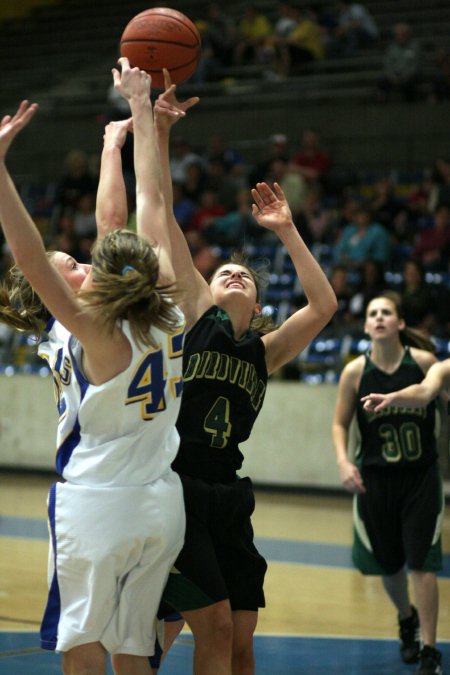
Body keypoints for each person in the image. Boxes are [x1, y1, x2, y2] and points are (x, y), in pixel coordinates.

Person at [138, 69, 337, 675]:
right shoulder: (196, 310)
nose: (232, 273)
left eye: (243, 273)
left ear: (256, 297)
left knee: (242, 637)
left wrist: (286, 230)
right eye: (223, 270)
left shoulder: (267, 349)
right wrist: (162, 130)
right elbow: (162, 212)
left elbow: (324, 306)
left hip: (229, 490)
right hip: (179, 486)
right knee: (210, 626)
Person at [0, 59, 187, 675]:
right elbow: (143, 211)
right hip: (161, 502)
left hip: (99, 501)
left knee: (82, 648)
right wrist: (132, 122)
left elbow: (34, 253)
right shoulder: (167, 311)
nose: (78, 262)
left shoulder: (87, 329)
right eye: (68, 264)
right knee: (134, 651)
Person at [332, 292, 444, 675]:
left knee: (422, 565)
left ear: (399, 323)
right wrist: (344, 460)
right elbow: (339, 423)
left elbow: (433, 392)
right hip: (375, 480)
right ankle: (406, 617)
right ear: (365, 326)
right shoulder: (355, 373)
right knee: (390, 568)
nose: (379, 317)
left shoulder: (424, 363)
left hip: (420, 479)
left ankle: (430, 648)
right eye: (372, 313)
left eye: (387, 312)